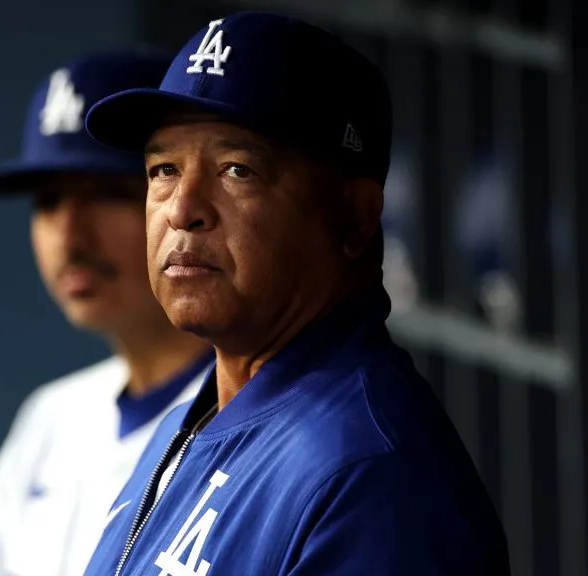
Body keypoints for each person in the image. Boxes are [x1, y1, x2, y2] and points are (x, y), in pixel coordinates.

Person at [80, 12, 510, 575]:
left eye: (237, 170)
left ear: (355, 220)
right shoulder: (193, 420)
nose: (183, 209)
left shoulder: (368, 476)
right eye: (163, 168)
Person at [0, 50, 214, 576]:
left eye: (108, 192)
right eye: (47, 202)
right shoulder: (51, 418)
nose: (70, 235)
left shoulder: (255, 418)